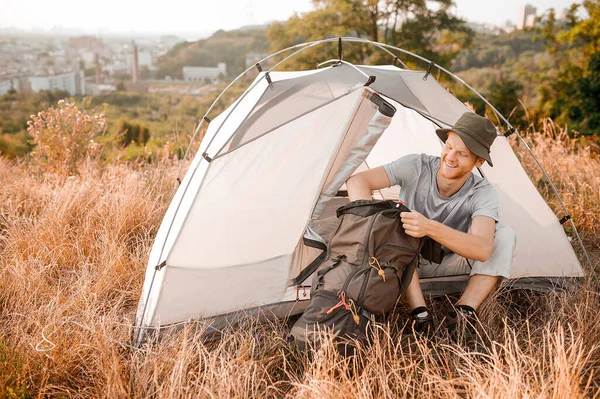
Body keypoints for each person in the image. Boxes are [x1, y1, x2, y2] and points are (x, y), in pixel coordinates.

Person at [345, 112, 516, 335]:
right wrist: (371, 227)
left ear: (479, 161)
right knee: (392, 226)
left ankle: (464, 315)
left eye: (462, 154)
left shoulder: (482, 192)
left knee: (504, 235)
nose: (451, 157)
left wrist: (429, 227)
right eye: (449, 147)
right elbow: (358, 180)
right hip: (399, 263)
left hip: (449, 261)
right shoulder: (416, 165)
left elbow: (482, 249)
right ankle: (420, 315)